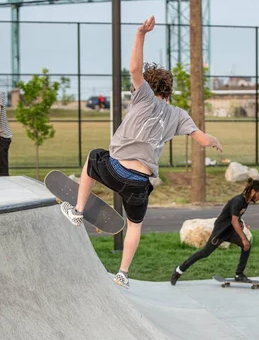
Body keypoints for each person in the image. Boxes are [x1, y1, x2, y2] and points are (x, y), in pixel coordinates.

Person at [60, 15, 223, 288]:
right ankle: (123, 274)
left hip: (115, 169)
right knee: (134, 225)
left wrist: (140, 34)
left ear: (149, 86)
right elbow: (202, 139)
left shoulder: (143, 95)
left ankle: (77, 211)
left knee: (92, 158)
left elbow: (135, 68)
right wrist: (214, 140)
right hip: (140, 184)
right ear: (169, 93)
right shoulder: (179, 114)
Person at [170, 179, 259, 285]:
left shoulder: (246, 202)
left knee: (246, 246)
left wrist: (240, 221)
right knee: (204, 253)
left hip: (230, 231)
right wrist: (242, 237)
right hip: (221, 231)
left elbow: (234, 217)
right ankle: (179, 270)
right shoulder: (238, 200)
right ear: (252, 192)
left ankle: (239, 275)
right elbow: (233, 220)